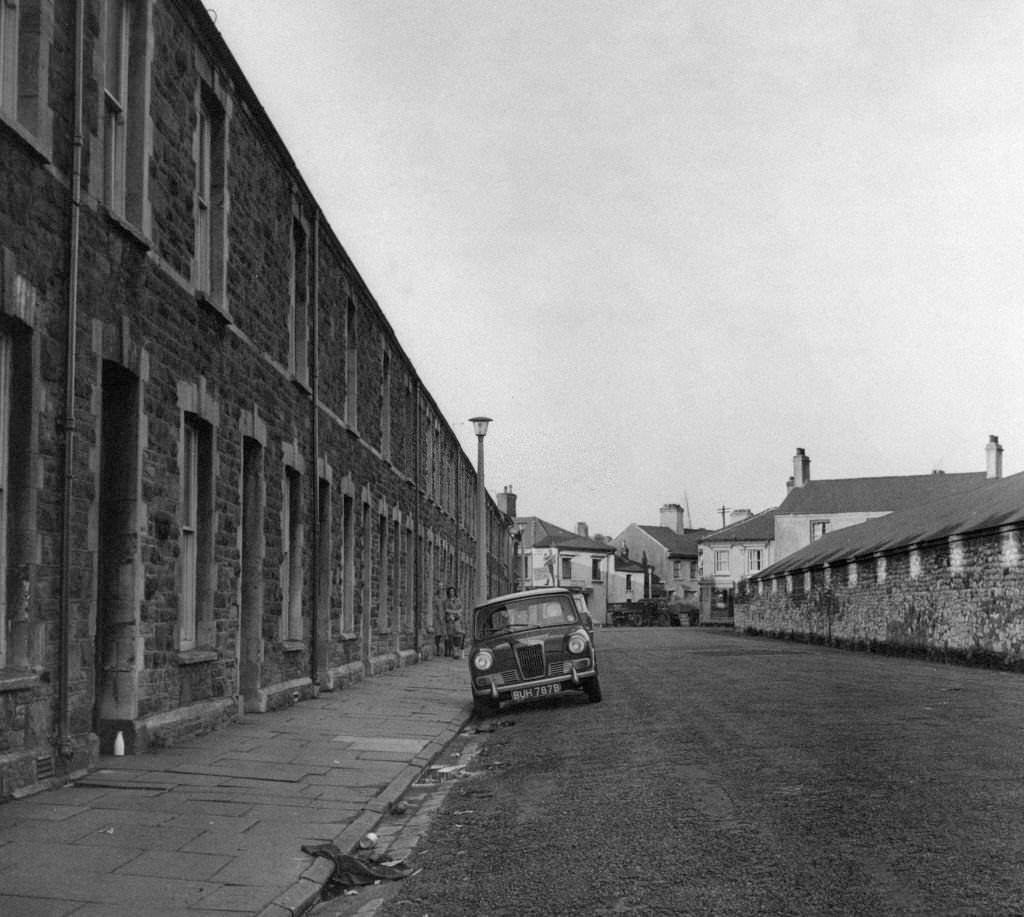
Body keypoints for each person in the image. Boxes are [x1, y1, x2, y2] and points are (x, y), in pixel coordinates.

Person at [444, 587, 464, 659]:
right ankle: (454, 651)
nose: (451, 593)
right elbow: (446, 609)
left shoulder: (458, 600)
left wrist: (457, 613)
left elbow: (461, 608)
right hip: (450, 619)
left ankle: (457, 651)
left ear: (454, 592)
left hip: (457, 619)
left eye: (453, 591)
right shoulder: (447, 601)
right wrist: (454, 612)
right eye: (450, 591)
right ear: (448, 592)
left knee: (458, 634)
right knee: (451, 635)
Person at [432, 588, 447, 657]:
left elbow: (445, 608)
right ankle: (437, 648)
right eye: (440, 591)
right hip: (437, 618)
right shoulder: (436, 599)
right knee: (437, 634)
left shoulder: (444, 599)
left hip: (443, 618)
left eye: (442, 591)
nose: (441, 593)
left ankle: (444, 649)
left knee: (443, 634)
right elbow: (435, 608)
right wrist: (438, 616)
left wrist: (444, 616)